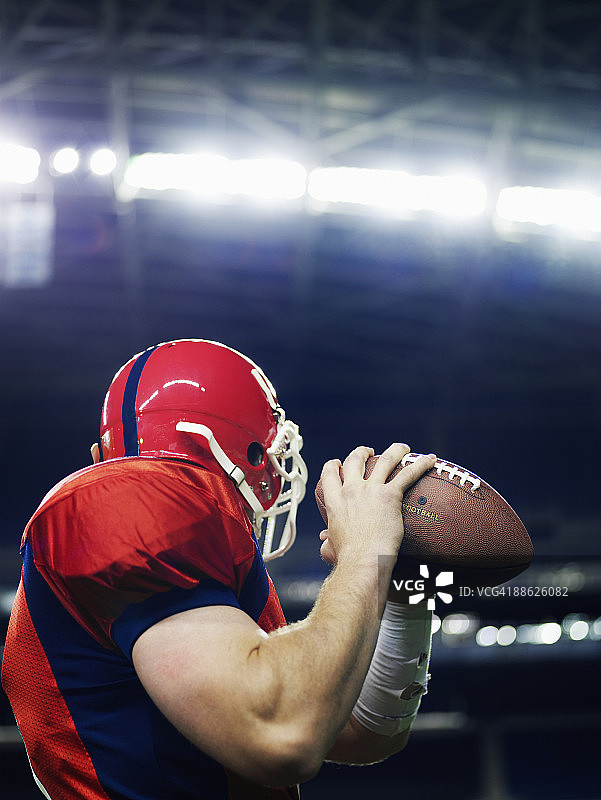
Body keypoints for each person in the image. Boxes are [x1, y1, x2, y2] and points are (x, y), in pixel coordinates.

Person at [1, 338, 436, 800]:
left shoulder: (206, 557)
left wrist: (407, 590)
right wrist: (366, 551)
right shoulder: (133, 495)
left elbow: (364, 732)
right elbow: (284, 736)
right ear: (247, 451)